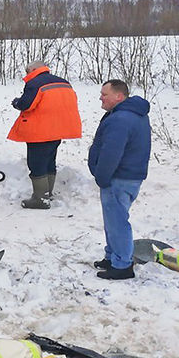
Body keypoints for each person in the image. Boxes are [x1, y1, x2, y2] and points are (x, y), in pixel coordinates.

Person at [88, 79, 151, 280]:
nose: (101, 97)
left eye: (104, 94)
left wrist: (102, 176)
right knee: (113, 220)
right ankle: (113, 257)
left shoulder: (121, 119)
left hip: (119, 177)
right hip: (128, 176)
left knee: (117, 222)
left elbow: (111, 152)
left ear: (119, 96)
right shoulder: (132, 115)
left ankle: (123, 265)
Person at [7, 61, 82, 209]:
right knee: (49, 161)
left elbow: (27, 104)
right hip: (59, 129)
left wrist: (16, 102)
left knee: (36, 163)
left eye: (28, 71)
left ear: (34, 70)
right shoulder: (64, 82)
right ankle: (48, 193)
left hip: (40, 131)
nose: (27, 74)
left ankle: (40, 199)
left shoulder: (35, 83)